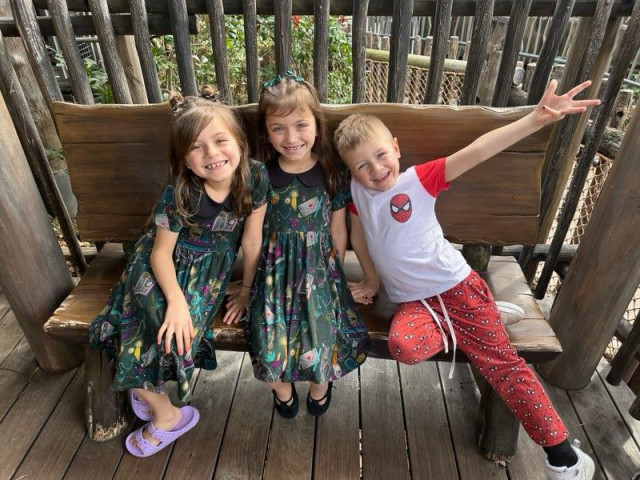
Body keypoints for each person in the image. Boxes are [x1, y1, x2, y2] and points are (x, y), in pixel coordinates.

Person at [334, 80, 600, 480]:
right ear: (351, 171)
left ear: (395, 146)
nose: (375, 169)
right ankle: (483, 320)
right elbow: (359, 236)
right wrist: (370, 279)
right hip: (416, 304)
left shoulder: (420, 179)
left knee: (501, 366)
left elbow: (477, 151)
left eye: (381, 155)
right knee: (403, 347)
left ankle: (563, 456)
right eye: (362, 165)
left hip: (458, 289)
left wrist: (535, 119)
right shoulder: (356, 191)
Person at [88, 87, 268, 457]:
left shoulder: (256, 179)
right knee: (143, 325)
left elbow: (251, 243)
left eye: (220, 141)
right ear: (185, 159)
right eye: (197, 147)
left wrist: (247, 287)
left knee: (176, 340)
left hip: (208, 275)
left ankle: (147, 390)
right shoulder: (181, 191)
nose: (212, 154)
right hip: (161, 268)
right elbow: (160, 254)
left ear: (240, 143)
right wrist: (175, 301)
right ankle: (168, 413)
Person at [245, 72, 371, 418]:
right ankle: (283, 393)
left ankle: (320, 386)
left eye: (301, 125)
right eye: (279, 128)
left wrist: (337, 277)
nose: (291, 137)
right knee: (267, 347)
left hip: (320, 271)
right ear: (267, 132)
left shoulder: (332, 172)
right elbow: (253, 236)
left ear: (316, 124)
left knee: (322, 336)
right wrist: (245, 288)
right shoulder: (262, 176)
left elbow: (339, 231)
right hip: (274, 276)